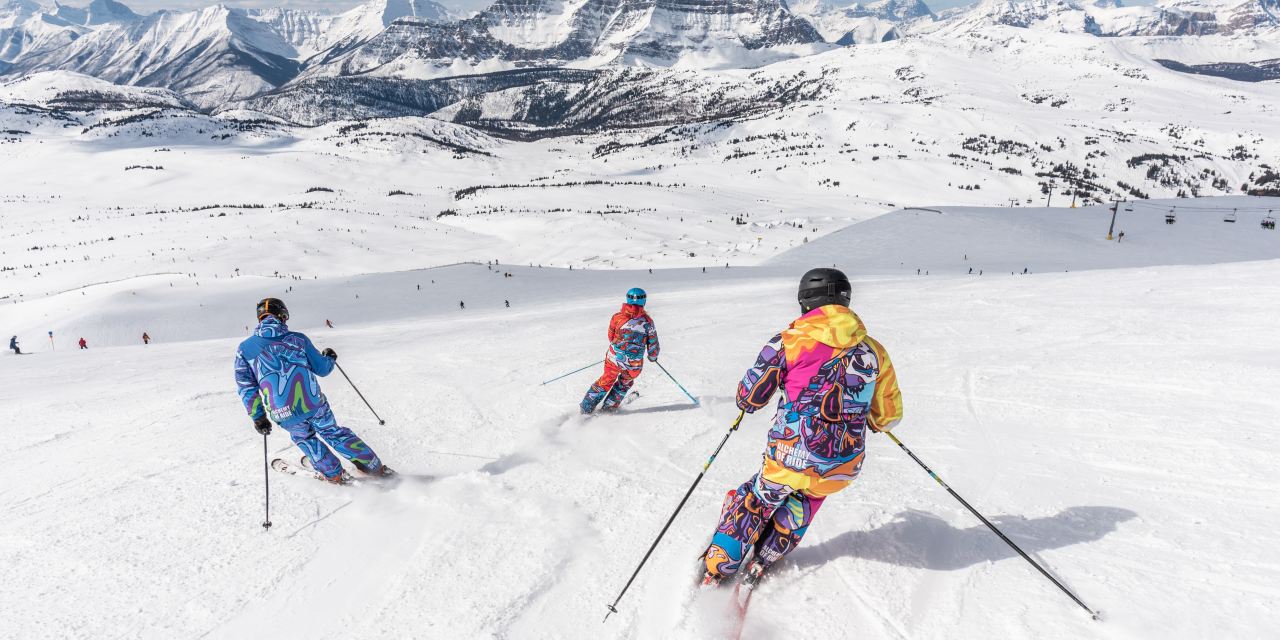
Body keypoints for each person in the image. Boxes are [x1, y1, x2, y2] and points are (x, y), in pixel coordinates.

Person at [700, 268, 903, 587]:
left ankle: (720, 564)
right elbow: (886, 414)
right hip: (842, 465)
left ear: (806, 302)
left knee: (757, 497)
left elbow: (751, 396)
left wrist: (745, 403)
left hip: (788, 455)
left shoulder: (789, 342)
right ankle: (765, 557)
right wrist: (875, 419)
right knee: (806, 499)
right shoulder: (874, 350)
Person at [234, 298, 393, 484]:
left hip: (282, 411)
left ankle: (333, 473)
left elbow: (246, 386)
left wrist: (258, 417)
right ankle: (373, 467)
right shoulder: (298, 339)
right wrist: (330, 358)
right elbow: (322, 369)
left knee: (305, 438)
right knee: (333, 432)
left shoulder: (244, 349)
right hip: (313, 403)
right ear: (282, 316)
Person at [580, 288, 660, 414]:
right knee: (625, 382)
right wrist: (653, 356)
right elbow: (653, 344)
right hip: (633, 364)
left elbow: (611, 337)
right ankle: (609, 407)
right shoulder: (648, 322)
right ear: (644, 301)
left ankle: (587, 406)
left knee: (607, 379)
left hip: (614, 358)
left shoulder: (617, 317)